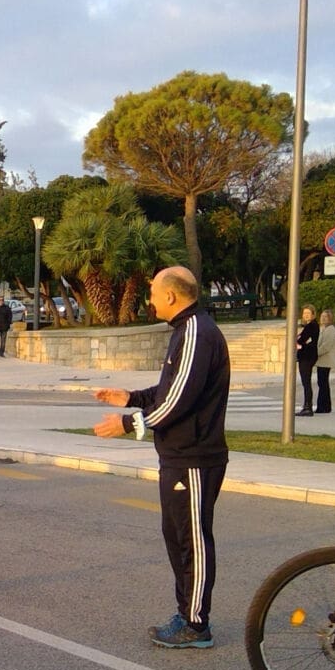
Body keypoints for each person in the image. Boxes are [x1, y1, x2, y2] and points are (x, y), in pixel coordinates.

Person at [93, 266, 230, 649]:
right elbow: (171, 388)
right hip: (178, 456)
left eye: (153, 292)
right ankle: (186, 613)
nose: (149, 299)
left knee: (193, 542)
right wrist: (132, 398)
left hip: (195, 457)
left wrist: (128, 423)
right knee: (177, 538)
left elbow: (178, 401)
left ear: (170, 295)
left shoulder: (197, 332)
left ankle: (197, 624)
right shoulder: (186, 330)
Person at [295, 304, 319, 417]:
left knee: (306, 382)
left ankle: (308, 407)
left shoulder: (311, 326)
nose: (306, 315)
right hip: (308, 356)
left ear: (313, 314)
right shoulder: (310, 326)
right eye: (305, 313)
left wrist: (298, 341)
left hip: (307, 357)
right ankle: (307, 406)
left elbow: (302, 340)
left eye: (308, 313)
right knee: (306, 382)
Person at [315, 308, 335, 414]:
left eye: (325, 317)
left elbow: (326, 346)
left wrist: (315, 353)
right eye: (322, 316)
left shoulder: (330, 330)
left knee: (323, 383)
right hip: (322, 361)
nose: (323, 318)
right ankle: (325, 406)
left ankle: (323, 406)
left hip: (325, 360)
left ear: (330, 318)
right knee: (322, 383)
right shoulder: (323, 329)